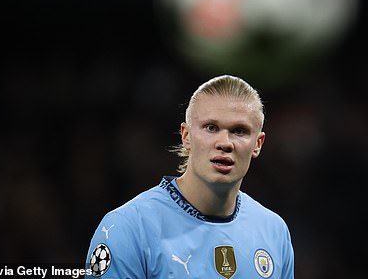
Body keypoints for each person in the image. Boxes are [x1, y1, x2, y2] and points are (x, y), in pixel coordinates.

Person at [85, 75, 294, 278]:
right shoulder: (127, 228)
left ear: (258, 144)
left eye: (239, 131)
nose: (225, 143)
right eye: (211, 128)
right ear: (186, 136)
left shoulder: (274, 231)